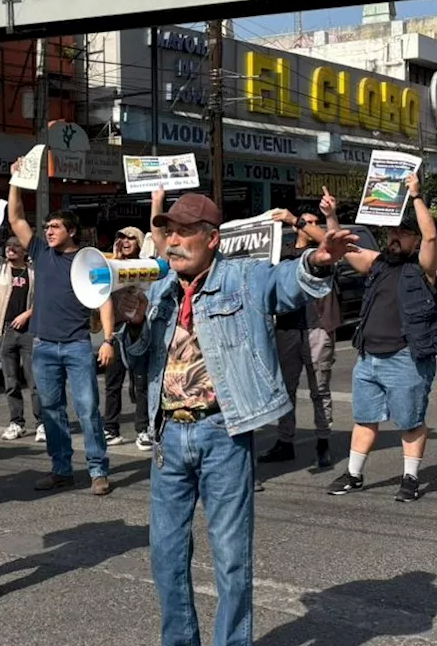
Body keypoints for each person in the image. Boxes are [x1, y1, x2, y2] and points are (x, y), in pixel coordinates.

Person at [112, 193, 353, 646]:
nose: (173, 242)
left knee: (230, 556)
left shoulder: (245, 276)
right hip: (168, 435)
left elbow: (290, 283)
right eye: (170, 232)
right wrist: (138, 325)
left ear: (212, 238)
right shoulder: (162, 288)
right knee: (165, 554)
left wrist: (318, 261)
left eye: (184, 233)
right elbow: (140, 359)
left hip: (222, 431)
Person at [322, 175, 437, 503]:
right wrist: (331, 216)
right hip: (369, 357)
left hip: (406, 357)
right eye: (392, 231)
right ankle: (354, 474)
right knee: (364, 419)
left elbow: (431, 236)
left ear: (415, 241)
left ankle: (410, 478)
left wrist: (416, 196)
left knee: (410, 421)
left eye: (403, 233)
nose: (395, 237)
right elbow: (343, 247)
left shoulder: (423, 268)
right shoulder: (377, 264)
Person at [6, 159, 115, 496]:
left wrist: (109, 340)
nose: (48, 231)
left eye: (55, 226)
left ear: (71, 231)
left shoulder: (89, 259)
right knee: (51, 412)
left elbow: (105, 300)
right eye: (47, 226)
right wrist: (15, 180)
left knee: (86, 409)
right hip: (44, 346)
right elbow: (16, 217)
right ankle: (61, 470)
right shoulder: (40, 252)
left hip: (77, 345)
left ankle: (98, 470)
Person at [258, 209, 340, 472]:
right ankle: (285, 440)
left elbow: (332, 239)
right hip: (288, 326)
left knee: (320, 389)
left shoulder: (326, 253)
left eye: (316, 222)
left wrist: (326, 217)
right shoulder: (280, 253)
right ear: (295, 230)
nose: (312, 226)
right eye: (309, 222)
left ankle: (323, 442)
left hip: (318, 326)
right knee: (286, 389)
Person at [0, 211, 41, 442]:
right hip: (5, 331)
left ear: (25, 250)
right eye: (8, 245)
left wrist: (28, 313)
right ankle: (16, 422)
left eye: (16, 245)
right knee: (10, 381)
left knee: (35, 380)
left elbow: (44, 298)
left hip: (30, 331)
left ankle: (41, 422)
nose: (10, 248)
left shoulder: (34, 271)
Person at [102, 226, 151, 450]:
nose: (125, 241)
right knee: (113, 383)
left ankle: (143, 429)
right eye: (120, 237)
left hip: (139, 329)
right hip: (117, 329)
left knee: (141, 381)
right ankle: (111, 429)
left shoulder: (147, 266)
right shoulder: (110, 265)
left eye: (130, 238)